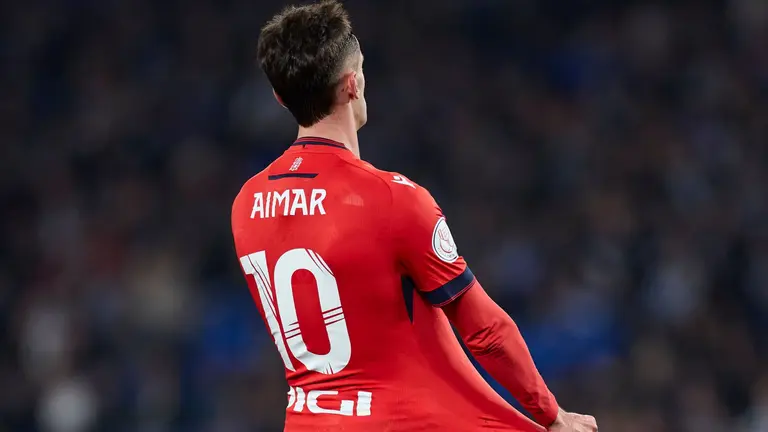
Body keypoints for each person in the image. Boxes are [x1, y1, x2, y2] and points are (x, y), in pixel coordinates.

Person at [230, 1, 598, 431]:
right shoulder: (390, 199)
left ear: (279, 97)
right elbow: (485, 330)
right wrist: (553, 416)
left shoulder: (247, 203)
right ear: (353, 84)